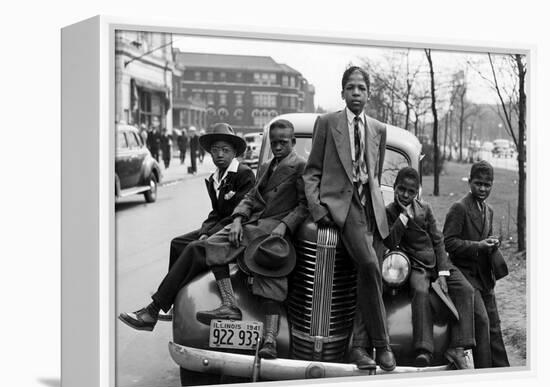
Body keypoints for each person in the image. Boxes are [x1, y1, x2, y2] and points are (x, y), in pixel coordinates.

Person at [119, 119, 308, 358]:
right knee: (202, 247)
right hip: (251, 226)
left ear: (293, 142)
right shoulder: (268, 165)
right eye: (274, 142)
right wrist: (238, 218)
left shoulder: (300, 166)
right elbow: (251, 197)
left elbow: (304, 206)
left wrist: (283, 226)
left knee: (200, 249)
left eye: (283, 142)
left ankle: (154, 309)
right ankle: (207, 306)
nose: (279, 146)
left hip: (270, 233)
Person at [302, 66, 395, 371]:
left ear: (369, 93)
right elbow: (312, 171)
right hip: (344, 206)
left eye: (362, 88)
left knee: (369, 276)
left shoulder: (378, 129)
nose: (356, 93)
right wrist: (319, 210)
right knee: (369, 265)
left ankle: (359, 346)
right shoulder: (328, 123)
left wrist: (377, 205)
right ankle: (382, 346)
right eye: (351, 88)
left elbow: (376, 173)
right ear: (342, 92)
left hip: (372, 210)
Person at [384, 167, 475, 369]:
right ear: (394, 188)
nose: (406, 195)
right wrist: (403, 218)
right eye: (402, 190)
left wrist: (443, 272)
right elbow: (391, 242)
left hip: (437, 264)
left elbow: (438, 241)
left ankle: (458, 347)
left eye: (411, 191)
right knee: (420, 290)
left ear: (418, 192)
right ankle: (423, 348)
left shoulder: (425, 209)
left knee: (465, 289)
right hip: (415, 265)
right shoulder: (390, 212)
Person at [443, 161, 510, 368]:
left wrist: (491, 242)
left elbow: (484, 237)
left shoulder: (488, 210)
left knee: (495, 327)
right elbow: (449, 242)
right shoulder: (459, 208)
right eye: (478, 183)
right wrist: (478, 245)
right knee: (481, 321)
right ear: (469, 182)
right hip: (465, 275)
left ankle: (503, 371)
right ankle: (484, 372)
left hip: (484, 277)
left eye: (487, 185)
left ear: (492, 185)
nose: (482, 189)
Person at [168, 123, 255, 269]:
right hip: (217, 228)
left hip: (233, 231)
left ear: (234, 152)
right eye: (215, 150)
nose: (220, 154)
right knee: (177, 243)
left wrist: (208, 234)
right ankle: (174, 287)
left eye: (225, 150)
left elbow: (236, 215)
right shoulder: (214, 178)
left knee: (193, 248)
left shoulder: (243, 174)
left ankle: (172, 289)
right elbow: (216, 212)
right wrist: (204, 231)